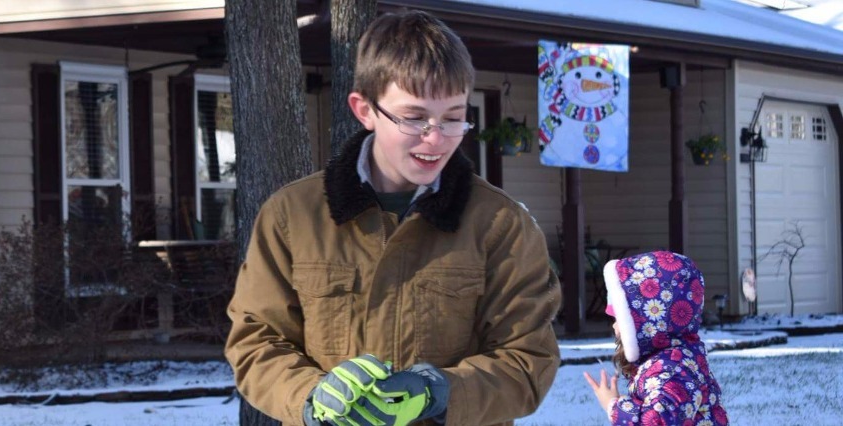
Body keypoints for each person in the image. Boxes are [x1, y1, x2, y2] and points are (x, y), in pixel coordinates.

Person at [224, 10, 561, 426]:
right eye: (414, 117)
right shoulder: (293, 215)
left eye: (453, 118)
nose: (435, 138)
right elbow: (256, 341)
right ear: (365, 110)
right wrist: (311, 395)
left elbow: (529, 360)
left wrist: (440, 392)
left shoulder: (502, 224)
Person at [584, 251, 728, 425]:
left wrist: (613, 407)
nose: (614, 326)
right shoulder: (669, 361)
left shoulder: (672, 369)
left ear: (647, 321)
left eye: (619, 319)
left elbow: (658, 422)